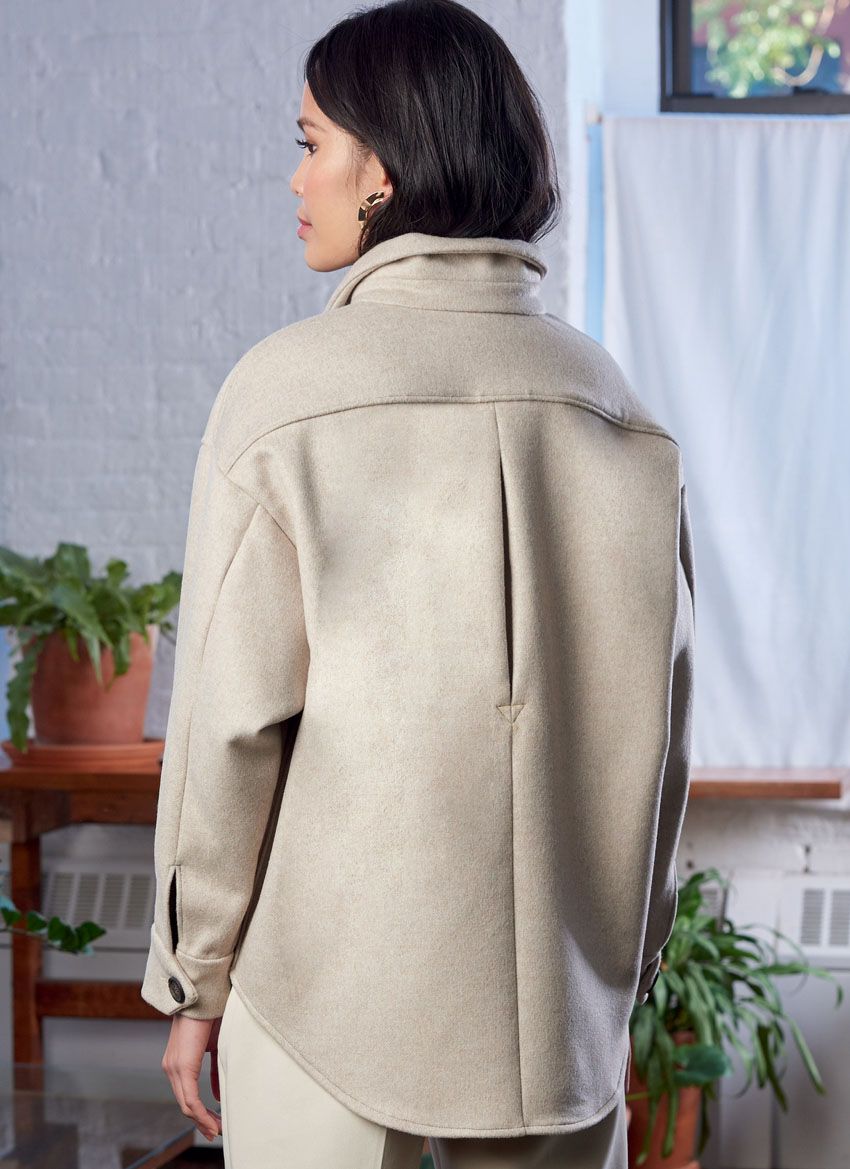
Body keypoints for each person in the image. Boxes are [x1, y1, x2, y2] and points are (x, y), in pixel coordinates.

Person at [140, 2, 696, 1167]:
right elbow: (661, 732)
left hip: (326, 996)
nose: (296, 177)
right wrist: (626, 960)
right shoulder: (615, 404)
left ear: (382, 167)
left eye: (310, 143)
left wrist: (194, 978)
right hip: (557, 1005)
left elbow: (228, 725)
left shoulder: (285, 394)